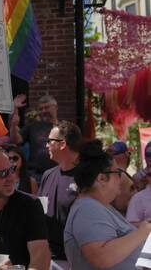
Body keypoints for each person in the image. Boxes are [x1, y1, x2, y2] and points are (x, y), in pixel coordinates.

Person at [64, 139, 151, 269]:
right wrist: (143, 232)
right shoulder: (87, 209)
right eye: (118, 173)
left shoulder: (96, 206)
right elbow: (101, 257)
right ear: (102, 178)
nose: (120, 178)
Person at [37, 120, 82, 268]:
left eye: (50, 141)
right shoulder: (47, 175)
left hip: (77, 260)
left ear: (62, 144)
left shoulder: (87, 177)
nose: (46, 145)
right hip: (49, 259)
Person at [9, 94, 59, 182]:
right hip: (36, 175)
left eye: (47, 107)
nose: (44, 111)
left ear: (55, 107)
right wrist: (13, 125)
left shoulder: (64, 127)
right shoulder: (33, 126)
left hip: (57, 174)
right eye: (41, 109)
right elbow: (16, 140)